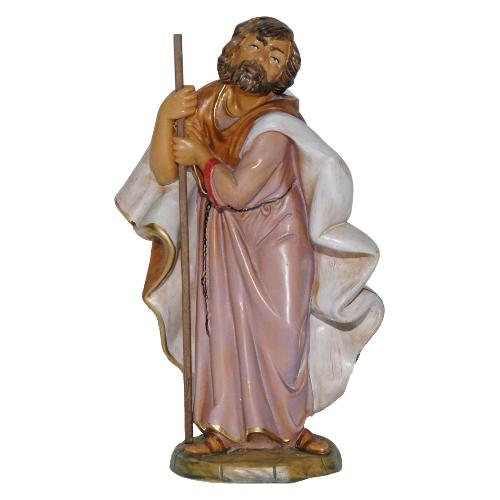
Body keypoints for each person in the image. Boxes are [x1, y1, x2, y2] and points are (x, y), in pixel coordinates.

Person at [115, 17, 384, 456]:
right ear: (234, 49)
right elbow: (165, 173)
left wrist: (201, 155)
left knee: (284, 337)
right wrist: (166, 117)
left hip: (277, 239)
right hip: (222, 238)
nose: (262, 61)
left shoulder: (276, 125)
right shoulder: (207, 103)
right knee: (220, 329)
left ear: (284, 75)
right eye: (255, 47)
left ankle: (289, 429)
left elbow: (236, 191)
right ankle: (223, 428)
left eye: (275, 58)